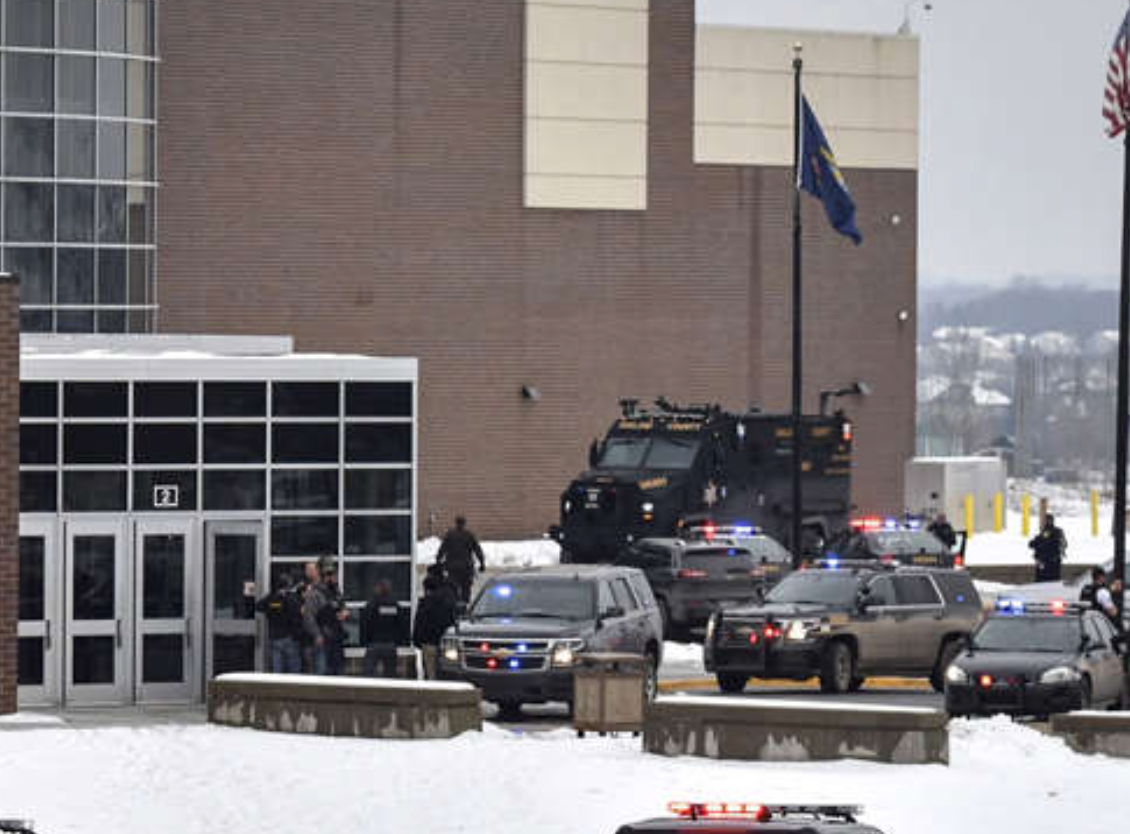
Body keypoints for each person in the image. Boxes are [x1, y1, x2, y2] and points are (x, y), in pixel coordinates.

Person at [255, 573, 304, 674]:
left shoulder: (272, 598)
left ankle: (277, 688)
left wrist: (272, 597)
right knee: (294, 671)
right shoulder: (290, 598)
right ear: (288, 585)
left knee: (277, 671)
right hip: (289, 637)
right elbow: (296, 615)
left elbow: (258, 606)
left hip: (275, 638)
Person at [413, 576, 457, 679]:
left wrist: (417, 641)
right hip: (444, 643)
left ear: (426, 589)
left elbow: (419, 623)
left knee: (430, 673)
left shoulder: (425, 603)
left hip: (428, 642)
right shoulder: (448, 603)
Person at [436, 515, 486, 603]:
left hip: (452, 568)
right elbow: (477, 549)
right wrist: (482, 563)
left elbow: (442, 549)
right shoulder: (469, 535)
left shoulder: (450, 535)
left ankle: (454, 607)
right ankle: (464, 607)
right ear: (464, 523)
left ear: (456, 523)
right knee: (466, 590)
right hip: (466, 568)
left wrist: (438, 561)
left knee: (452, 589)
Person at [361, 580, 401, 678]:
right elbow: (400, 624)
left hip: (374, 643)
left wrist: (365, 640)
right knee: (390, 675)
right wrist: (397, 640)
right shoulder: (394, 605)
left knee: (368, 675)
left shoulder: (371, 604)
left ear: (378, 589)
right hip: (390, 644)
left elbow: (365, 623)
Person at [301, 561, 333, 674]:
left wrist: (318, 634)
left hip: (321, 635)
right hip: (312, 636)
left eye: (311, 569)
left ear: (317, 571)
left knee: (319, 670)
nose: (308, 572)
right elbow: (308, 615)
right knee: (316, 670)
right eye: (306, 570)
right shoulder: (304, 589)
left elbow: (310, 614)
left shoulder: (320, 590)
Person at [319, 559, 349, 676]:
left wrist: (344, 613)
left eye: (333, 574)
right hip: (325, 636)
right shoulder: (318, 592)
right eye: (328, 575)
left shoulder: (337, 591)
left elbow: (343, 607)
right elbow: (313, 615)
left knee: (339, 668)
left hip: (337, 636)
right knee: (326, 670)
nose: (331, 577)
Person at [1028, 513, 1067, 582]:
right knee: (1049, 581)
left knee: (1047, 581)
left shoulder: (1054, 532)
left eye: (1047, 520)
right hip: (1046, 562)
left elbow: (1062, 544)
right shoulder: (1045, 532)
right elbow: (1033, 543)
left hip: (1049, 562)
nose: (1046, 522)